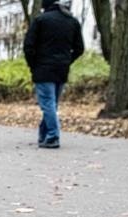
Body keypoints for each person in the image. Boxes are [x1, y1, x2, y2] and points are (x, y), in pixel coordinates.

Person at [23, 0, 84, 149]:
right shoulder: (72, 21)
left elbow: (28, 46)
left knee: (48, 104)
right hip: (61, 69)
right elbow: (79, 48)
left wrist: (33, 65)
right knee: (51, 104)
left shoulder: (41, 20)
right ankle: (44, 135)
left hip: (43, 68)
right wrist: (67, 60)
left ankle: (52, 136)